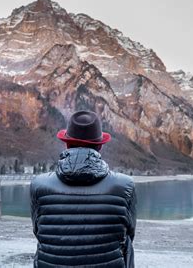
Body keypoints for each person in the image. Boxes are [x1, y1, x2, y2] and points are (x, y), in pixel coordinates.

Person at [30, 110, 137, 267]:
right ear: (100, 146)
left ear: (67, 143)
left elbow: (38, 231)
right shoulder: (125, 185)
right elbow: (129, 234)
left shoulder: (38, 185)